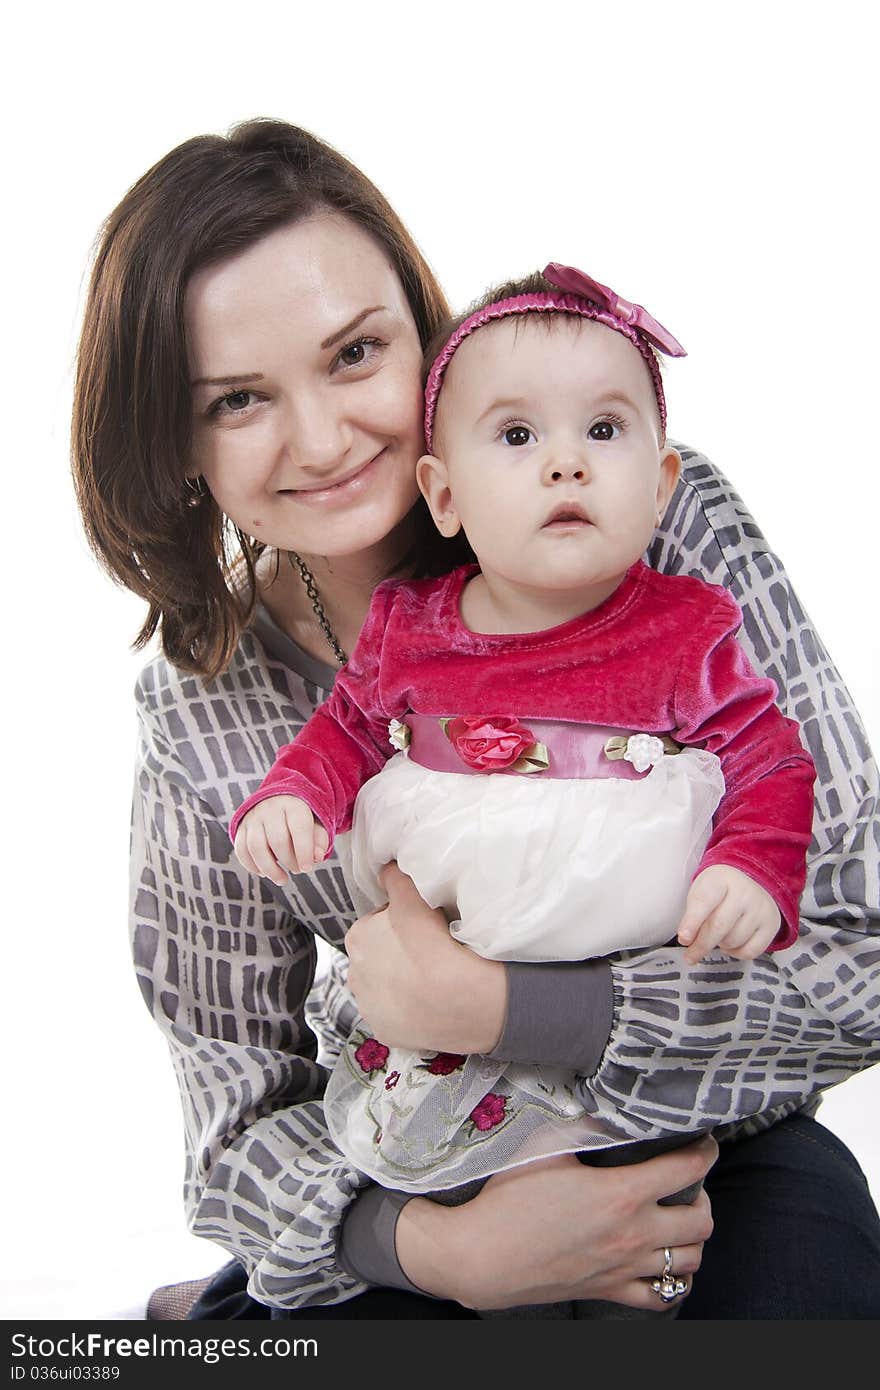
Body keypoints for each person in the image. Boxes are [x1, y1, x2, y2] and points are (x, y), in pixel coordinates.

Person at [71, 118, 880, 1319]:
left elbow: (856, 949)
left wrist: (510, 1009)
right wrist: (438, 1251)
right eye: (238, 399)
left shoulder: (645, 522)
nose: (324, 438)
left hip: (699, 1140)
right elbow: (234, 1102)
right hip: (425, 1166)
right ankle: (217, 1307)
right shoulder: (208, 702)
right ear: (176, 441)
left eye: (355, 355)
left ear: (426, 334)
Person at [230, 262, 816, 1198]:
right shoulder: (409, 625)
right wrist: (295, 792)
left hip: (613, 974)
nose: (566, 461)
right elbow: (345, 729)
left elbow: (769, 757)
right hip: (449, 965)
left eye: (605, 429)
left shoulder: (684, 626)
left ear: (662, 483)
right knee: (447, 1170)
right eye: (516, 434)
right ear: (445, 494)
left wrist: (754, 864)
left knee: (648, 1195)